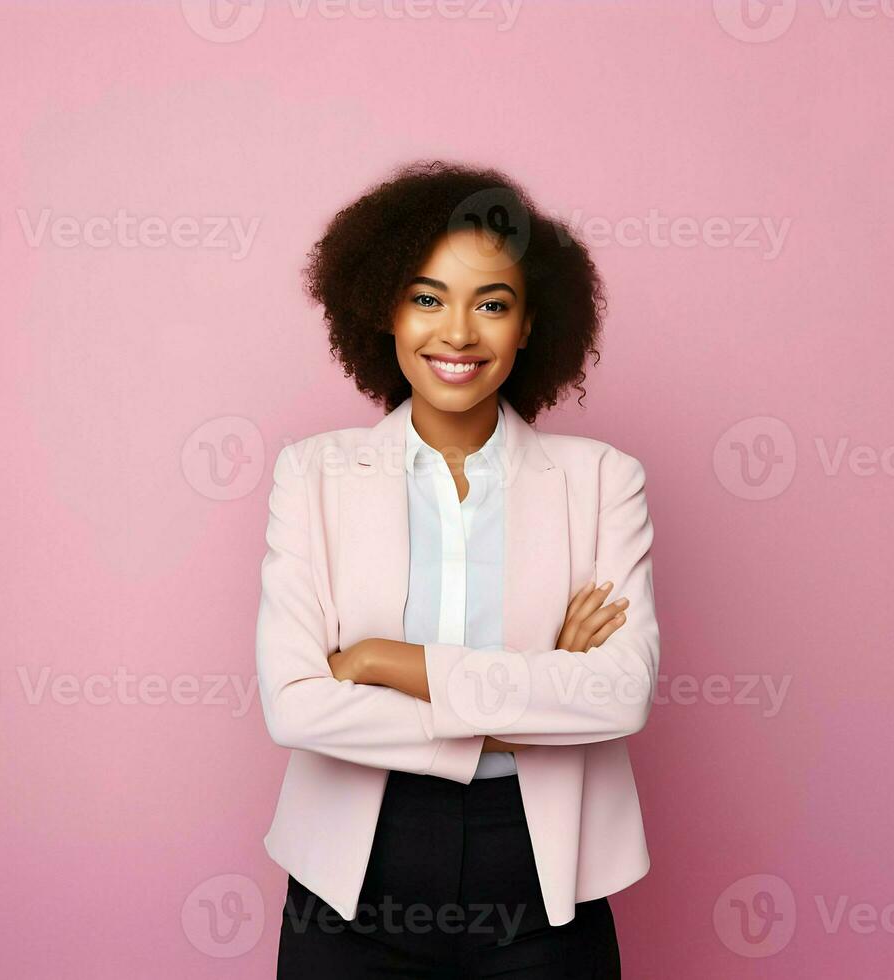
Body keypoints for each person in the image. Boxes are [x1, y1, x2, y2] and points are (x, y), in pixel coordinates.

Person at [257, 160, 659, 978]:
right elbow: (295, 709)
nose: (458, 333)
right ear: (383, 310)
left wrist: (383, 665)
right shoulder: (314, 476)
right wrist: (539, 693)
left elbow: (620, 696)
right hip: (349, 885)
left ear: (529, 323)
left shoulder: (602, 480)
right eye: (427, 297)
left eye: (492, 304)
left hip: (544, 885)